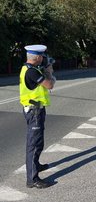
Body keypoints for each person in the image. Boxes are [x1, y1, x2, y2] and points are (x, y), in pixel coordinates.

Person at [19, 45, 56, 189]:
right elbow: (49, 85)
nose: (43, 59)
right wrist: (50, 72)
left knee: (38, 141)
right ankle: (32, 179)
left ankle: (36, 166)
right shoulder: (32, 72)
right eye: (42, 57)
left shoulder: (28, 68)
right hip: (34, 111)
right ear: (38, 57)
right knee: (33, 144)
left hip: (36, 110)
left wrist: (46, 70)